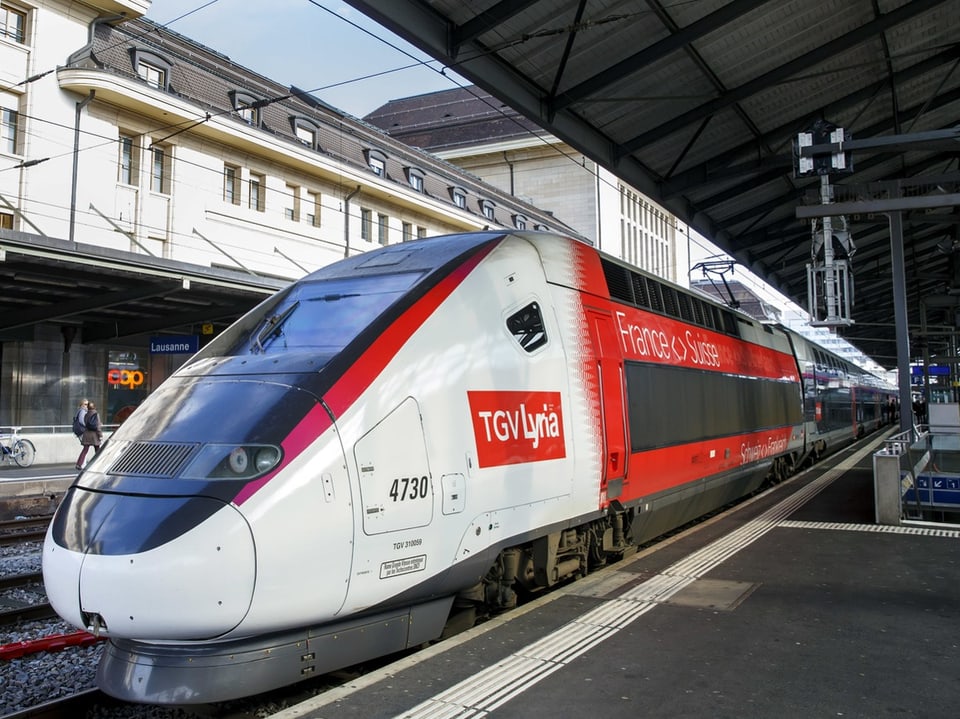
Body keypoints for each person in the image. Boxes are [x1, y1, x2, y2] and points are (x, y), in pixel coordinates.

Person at [76, 401, 103, 470]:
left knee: (85, 450)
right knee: (97, 450)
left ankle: (79, 464)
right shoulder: (96, 414)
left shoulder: (86, 414)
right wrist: (100, 435)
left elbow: (85, 422)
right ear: (94, 407)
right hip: (94, 435)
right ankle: (99, 464)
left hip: (87, 434)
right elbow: (98, 426)